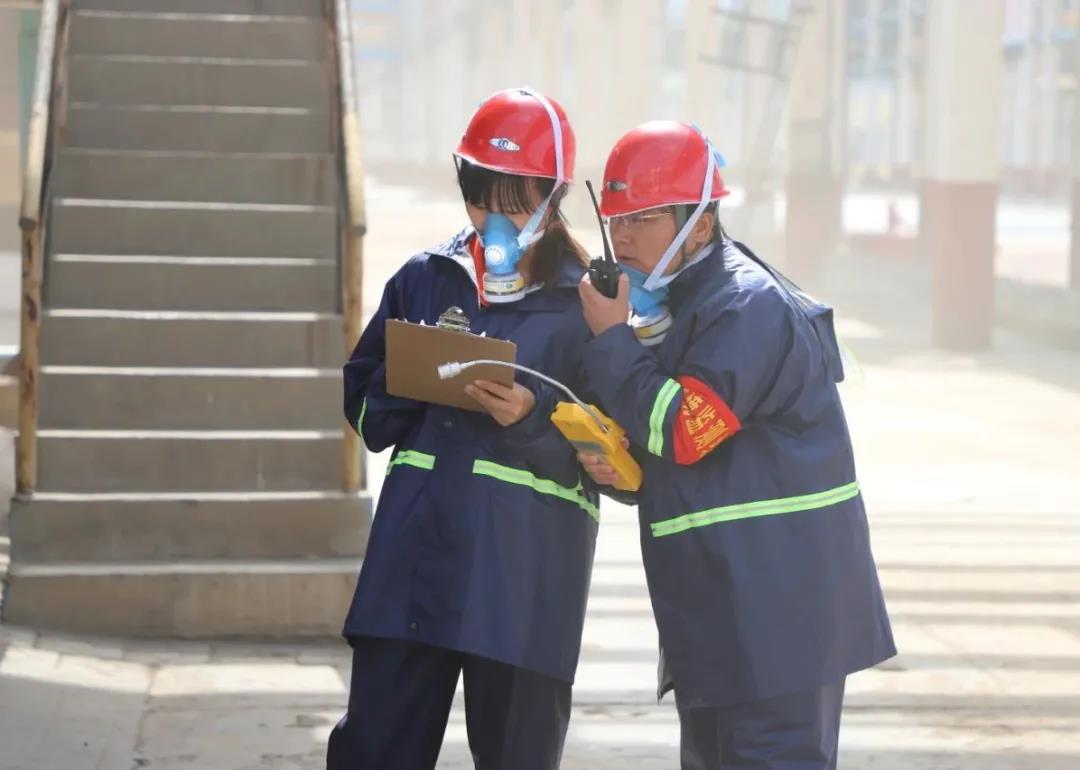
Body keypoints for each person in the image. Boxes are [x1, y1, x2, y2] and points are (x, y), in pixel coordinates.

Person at [576, 121, 896, 770]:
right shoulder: (678, 309)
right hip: (722, 620)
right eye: (616, 221)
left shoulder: (746, 308)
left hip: (779, 624)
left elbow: (685, 431)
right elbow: (691, 460)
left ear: (699, 223)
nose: (624, 237)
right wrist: (624, 472)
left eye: (643, 218)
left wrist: (612, 342)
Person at [328, 88, 598, 770]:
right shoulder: (426, 278)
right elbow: (363, 409)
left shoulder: (588, 305)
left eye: (513, 205)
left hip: (521, 587)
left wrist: (534, 422)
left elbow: (622, 465)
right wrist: (409, 376)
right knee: (372, 752)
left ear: (552, 198)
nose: (493, 220)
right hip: (411, 569)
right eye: (480, 200)